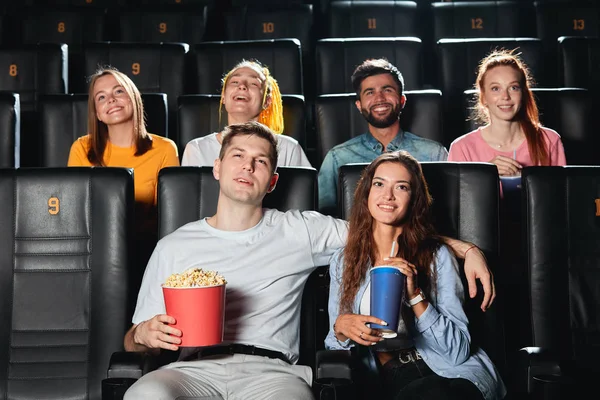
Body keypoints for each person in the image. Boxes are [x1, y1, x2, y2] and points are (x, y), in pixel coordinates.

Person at [123, 122, 495, 400]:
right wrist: (142, 335)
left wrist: (465, 249)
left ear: (272, 181)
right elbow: (134, 342)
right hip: (190, 369)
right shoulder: (174, 244)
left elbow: (386, 223)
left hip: (270, 372)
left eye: (261, 161)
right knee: (143, 395)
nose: (248, 167)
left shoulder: (300, 230)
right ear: (217, 168)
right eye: (237, 156)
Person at [325, 151, 506, 400]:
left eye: (401, 187)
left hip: (455, 373)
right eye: (379, 184)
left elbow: (458, 352)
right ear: (366, 192)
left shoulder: (437, 256)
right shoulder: (343, 261)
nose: (388, 195)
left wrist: (415, 296)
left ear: (414, 199)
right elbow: (335, 350)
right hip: (393, 373)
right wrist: (340, 328)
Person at [318, 58, 448, 217]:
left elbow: (444, 213)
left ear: (402, 100)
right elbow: (325, 216)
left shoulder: (435, 154)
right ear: (359, 105)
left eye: (387, 90)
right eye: (370, 92)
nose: (379, 98)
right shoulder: (337, 158)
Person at [68, 67, 180, 217]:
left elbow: (169, 215)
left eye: (118, 91)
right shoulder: (81, 148)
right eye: (101, 97)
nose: (111, 99)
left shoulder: (165, 149)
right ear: (97, 114)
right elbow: (75, 211)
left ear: (133, 98)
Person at [448, 50, 566, 179]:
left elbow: (559, 197)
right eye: (495, 89)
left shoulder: (549, 140)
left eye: (513, 87)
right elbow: (459, 198)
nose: (505, 97)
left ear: (523, 93)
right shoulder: (461, 148)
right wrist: (486, 175)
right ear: (483, 97)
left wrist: (528, 180)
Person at [181, 59, 311, 168]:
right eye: (235, 82)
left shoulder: (288, 149)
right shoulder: (197, 149)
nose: (242, 86)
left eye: (253, 83)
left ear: (266, 101)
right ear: (223, 97)